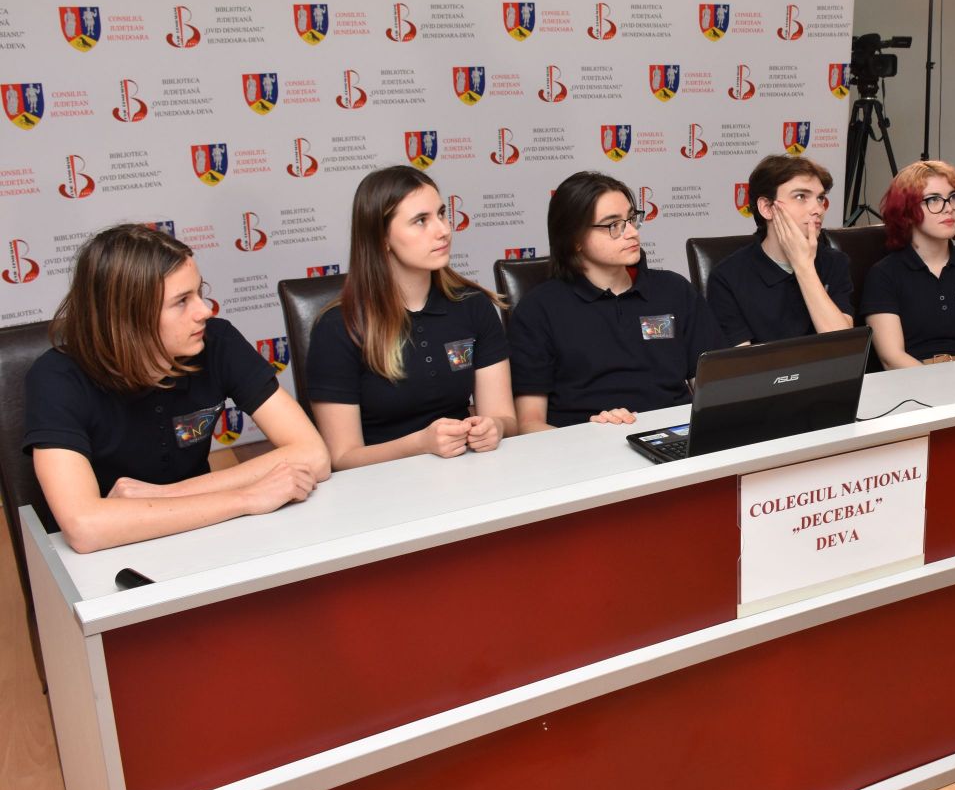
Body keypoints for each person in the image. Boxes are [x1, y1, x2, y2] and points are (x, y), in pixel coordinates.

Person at [23, 224, 330, 554]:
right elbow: (85, 528)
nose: (205, 310)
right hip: (113, 556)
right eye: (182, 301)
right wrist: (246, 497)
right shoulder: (57, 378)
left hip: (207, 535)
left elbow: (313, 455)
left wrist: (166, 495)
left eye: (199, 292)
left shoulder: (217, 341)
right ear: (126, 317)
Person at [305, 165, 516, 469]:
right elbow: (342, 457)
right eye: (420, 221)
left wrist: (495, 427)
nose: (443, 230)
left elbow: (505, 418)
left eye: (441, 214)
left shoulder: (473, 305)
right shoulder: (338, 327)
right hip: (380, 486)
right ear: (382, 238)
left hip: (466, 474)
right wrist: (420, 445)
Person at [508, 171, 725, 432]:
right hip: (584, 445)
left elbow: (716, 392)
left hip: (676, 437)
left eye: (631, 219)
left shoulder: (674, 290)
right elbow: (529, 424)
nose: (632, 232)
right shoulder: (538, 310)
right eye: (613, 225)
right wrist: (587, 439)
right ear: (575, 240)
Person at [860, 160, 955, 368]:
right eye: (933, 200)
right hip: (912, 379)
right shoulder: (884, 274)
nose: (949, 208)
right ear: (907, 211)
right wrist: (939, 383)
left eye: (954, 197)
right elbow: (891, 358)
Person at [706, 154, 854, 345]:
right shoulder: (727, 277)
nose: (818, 209)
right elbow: (741, 361)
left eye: (820, 198)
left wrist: (804, 268)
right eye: (801, 196)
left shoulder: (835, 262)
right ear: (767, 208)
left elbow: (842, 346)